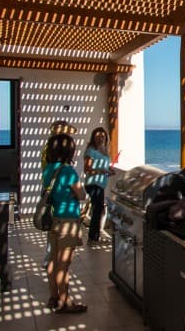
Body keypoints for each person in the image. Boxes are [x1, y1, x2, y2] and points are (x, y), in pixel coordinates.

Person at [43, 133, 87, 313]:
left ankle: (53, 296)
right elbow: (81, 194)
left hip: (54, 220)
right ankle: (65, 302)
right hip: (68, 220)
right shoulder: (68, 170)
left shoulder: (48, 169)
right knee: (64, 264)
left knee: (53, 260)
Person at [41, 120, 77, 269]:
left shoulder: (48, 153)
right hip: (64, 206)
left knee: (52, 229)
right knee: (62, 255)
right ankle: (53, 259)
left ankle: (50, 259)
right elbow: (79, 192)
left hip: (50, 193)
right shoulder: (65, 167)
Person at [83, 127, 114, 245]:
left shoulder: (104, 151)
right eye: (97, 136)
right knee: (97, 210)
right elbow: (87, 169)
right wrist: (103, 170)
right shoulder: (91, 151)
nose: (100, 138)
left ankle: (95, 236)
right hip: (93, 184)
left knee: (99, 210)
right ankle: (92, 239)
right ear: (93, 138)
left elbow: (102, 166)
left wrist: (108, 170)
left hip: (100, 184)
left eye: (102, 136)